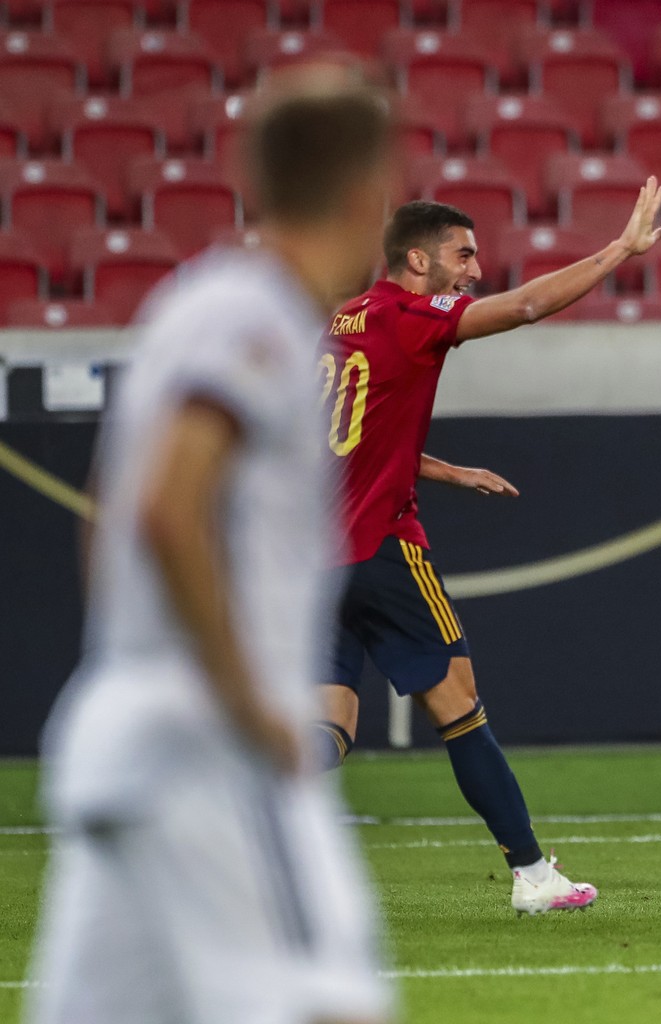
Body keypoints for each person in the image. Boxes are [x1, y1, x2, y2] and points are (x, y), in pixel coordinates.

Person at [28, 68, 396, 1024]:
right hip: (211, 752)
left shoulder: (199, 304)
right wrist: (242, 700)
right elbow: (163, 508)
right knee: (331, 1003)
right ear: (367, 195)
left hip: (127, 744)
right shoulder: (257, 319)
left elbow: (117, 507)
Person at [314, 189, 661, 915]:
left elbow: (346, 433)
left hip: (314, 559)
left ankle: (207, 823)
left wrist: (445, 470)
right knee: (462, 708)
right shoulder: (414, 317)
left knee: (328, 727)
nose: (474, 269)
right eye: (462, 255)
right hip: (383, 545)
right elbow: (528, 306)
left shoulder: (337, 320)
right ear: (418, 259)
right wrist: (620, 250)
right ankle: (534, 876)